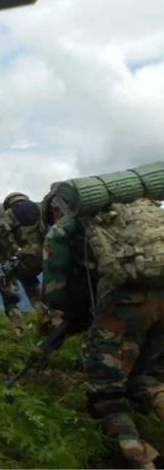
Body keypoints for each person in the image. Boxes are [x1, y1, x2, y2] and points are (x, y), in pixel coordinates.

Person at [42, 190, 164, 468]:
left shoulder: (64, 228)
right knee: (146, 376)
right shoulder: (127, 217)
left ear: (56, 210)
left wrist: (76, 311)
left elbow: (54, 295)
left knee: (105, 392)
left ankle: (142, 459)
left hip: (126, 303)